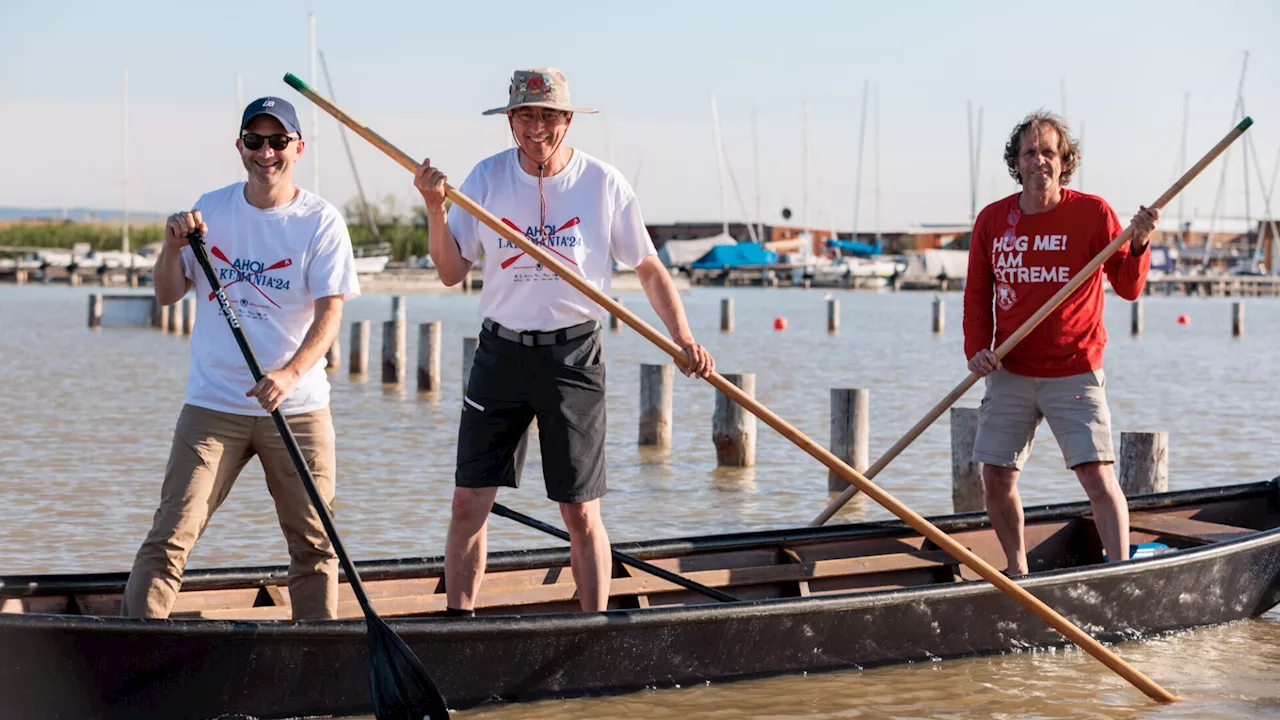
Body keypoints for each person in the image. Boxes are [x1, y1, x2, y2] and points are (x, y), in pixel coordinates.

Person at [413, 67, 714, 614]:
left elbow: (646, 267)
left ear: (567, 121)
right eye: (526, 115)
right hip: (500, 354)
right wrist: (435, 208)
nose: (536, 127)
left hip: (573, 357)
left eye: (548, 115)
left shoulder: (601, 183)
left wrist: (683, 338)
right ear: (509, 121)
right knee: (467, 504)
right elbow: (451, 271)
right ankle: (461, 624)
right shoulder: (485, 179)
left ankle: (592, 628)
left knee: (580, 512)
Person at [122, 97, 360, 620]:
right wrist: (169, 246)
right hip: (214, 405)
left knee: (314, 546)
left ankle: (318, 662)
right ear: (240, 147)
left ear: (298, 148)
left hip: (295, 411)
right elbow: (166, 295)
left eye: (278, 142)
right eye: (255, 141)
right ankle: (134, 646)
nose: (266, 153)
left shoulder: (320, 221)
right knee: (170, 535)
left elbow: (329, 316)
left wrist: (290, 373)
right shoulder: (212, 207)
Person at [962, 110, 1158, 576]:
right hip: (1010, 367)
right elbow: (976, 293)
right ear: (1017, 162)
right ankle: (1017, 571)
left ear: (1064, 162)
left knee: (1096, 474)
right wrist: (977, 349)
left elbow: (1128, 287)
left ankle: (1119, 573)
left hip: (1074, 369)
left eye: (1048, 152)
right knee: (995, 477)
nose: (1039, 161)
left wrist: (1138, 243)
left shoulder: (1092, 212)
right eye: (1030, 152)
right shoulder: (992, 220)